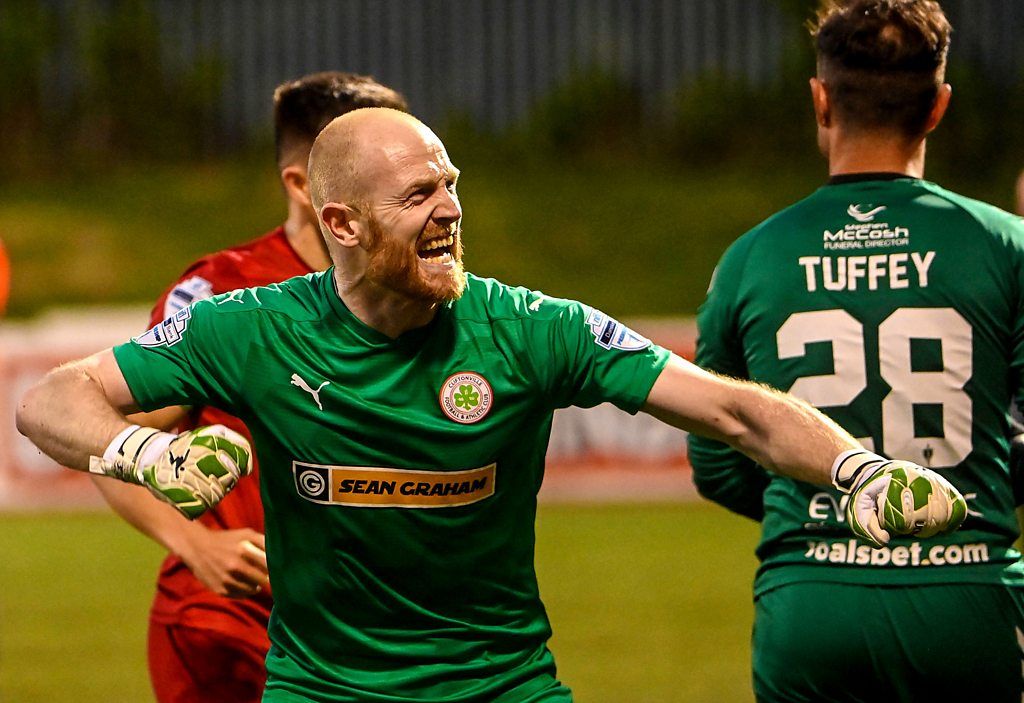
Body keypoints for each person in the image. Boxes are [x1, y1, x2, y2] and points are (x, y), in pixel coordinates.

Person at [17, 108, 965, 703]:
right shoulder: (249, 328)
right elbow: (52, 400)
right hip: (322, 689)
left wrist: (858, 468)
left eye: (452, 184)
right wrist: (145, 457)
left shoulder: (532, 329)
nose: (449, 209)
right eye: (419, 192)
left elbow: (733, 411)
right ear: (340, 223)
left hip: (501, 686)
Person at [688, 2, 1024, 701]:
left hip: (811, 597)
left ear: (820, 99)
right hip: (967, 599)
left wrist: (810, 502)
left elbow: (718, 456)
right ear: (937, 107)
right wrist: (962, 501)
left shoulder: (752, 258)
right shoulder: (1003, 246)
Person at [88, 72, 408, 703]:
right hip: (232, 629)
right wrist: (195, 544)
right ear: (301, 185)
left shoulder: (418, 294)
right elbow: (103, 437)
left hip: (365, 631)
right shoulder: (223, 294)